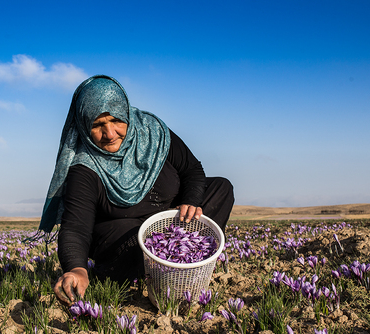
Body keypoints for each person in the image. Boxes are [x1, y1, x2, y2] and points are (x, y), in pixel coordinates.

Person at [38, 75, 234, 305]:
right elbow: (76, 227)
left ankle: (187, 257)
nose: (109, 134)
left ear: (126, 113)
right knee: (135, 237)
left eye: (116, 121)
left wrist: (190, 200)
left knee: (220, 188)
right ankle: (134, 271)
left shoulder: (154, 133)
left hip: (169, 219)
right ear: (83, 124)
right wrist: (77, 269)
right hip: (122, 231)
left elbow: (192, 170)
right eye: (97, 125)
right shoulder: (84, 168)